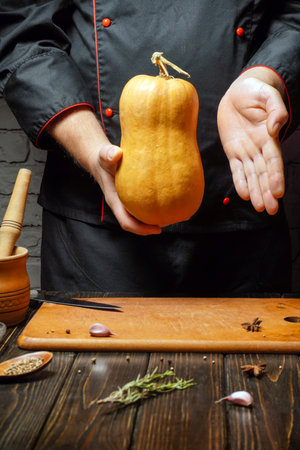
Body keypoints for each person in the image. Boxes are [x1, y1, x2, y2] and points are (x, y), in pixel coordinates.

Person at [0, 1, 299, 296]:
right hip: (94, 234)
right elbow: (21, 28)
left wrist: (265, 76)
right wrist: (91, 149)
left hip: (241, 220)